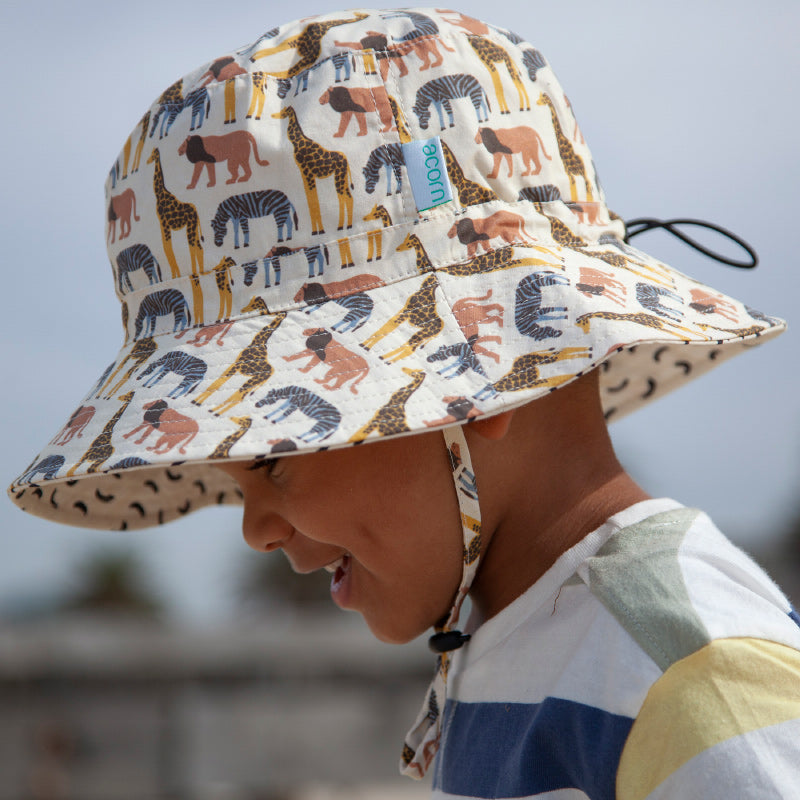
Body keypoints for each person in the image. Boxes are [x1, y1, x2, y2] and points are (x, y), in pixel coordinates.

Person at [8, 8, 800, 798]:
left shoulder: (688, 671)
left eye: (272, 460)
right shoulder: (516, 635)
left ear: (481, 371)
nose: (252, 531)